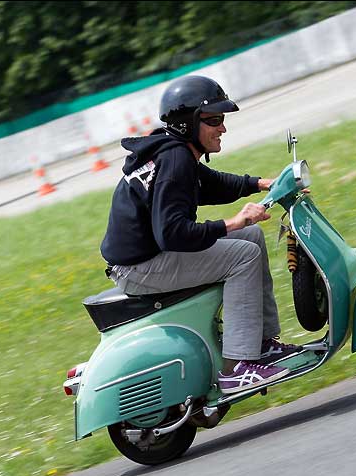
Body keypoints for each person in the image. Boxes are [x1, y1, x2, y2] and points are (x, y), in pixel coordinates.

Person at [100, 75, 301, 395]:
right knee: (243, 253)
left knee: (251, 236)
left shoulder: (174, 151)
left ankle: (262, 345)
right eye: (214, 120)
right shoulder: (175, 159)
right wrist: (233, 222)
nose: (223, 127)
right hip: (141, 267)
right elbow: (173, 234)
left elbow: (211, 183)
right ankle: (238, 366)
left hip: (149, 257)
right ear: (187, 123)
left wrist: (262, 183)